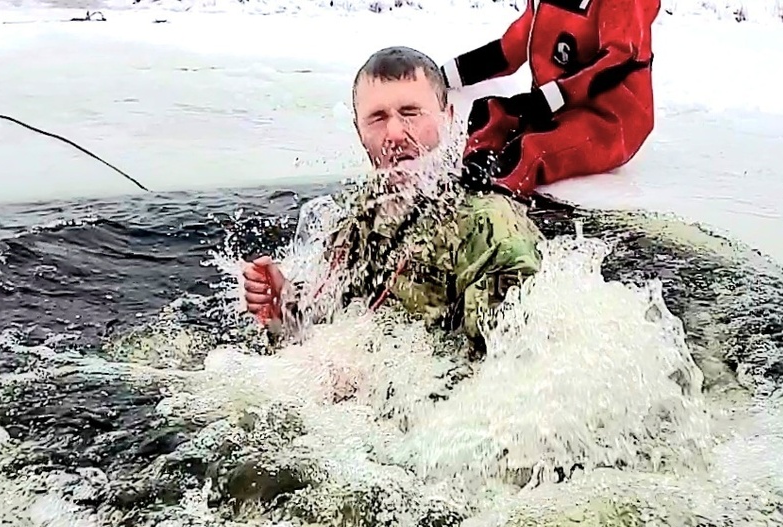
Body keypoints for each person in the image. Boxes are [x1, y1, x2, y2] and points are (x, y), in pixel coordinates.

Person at [240, 46, 544, 353]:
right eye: (377, 118)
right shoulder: (356, 218)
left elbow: (506, 369)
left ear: (448, 119)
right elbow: (328, 330)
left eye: (410, 113)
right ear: (359, 131)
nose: (396, 133)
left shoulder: (489, 227)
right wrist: (286, 313)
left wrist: (370, 378)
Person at [440, 0, 660, 197]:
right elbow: (511, 48)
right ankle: (472, 175)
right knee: (487, 113)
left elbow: (618, 59)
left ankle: (495, 197)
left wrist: (552, 97)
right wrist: (440, 77)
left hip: (610, 121)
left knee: (530, 150)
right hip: (557, 106)